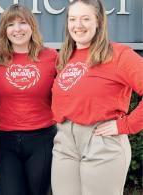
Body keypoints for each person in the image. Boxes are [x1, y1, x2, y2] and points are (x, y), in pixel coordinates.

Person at [51, 0, 143, 194]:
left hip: (102, 142)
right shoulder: (65, 56)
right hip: (65, 143)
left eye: (86, 19)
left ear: (99, 22)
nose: (78, 25)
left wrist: (125, 125)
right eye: (73, 19)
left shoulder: (120, 55)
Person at [0, 4, 57, 195]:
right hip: (5, 141)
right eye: (11, 25)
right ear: (5, 31)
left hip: (42, 139)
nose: (17, 29)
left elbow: (63, 94)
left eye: (22, 23)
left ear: (32, 26)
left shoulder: (51, 57)